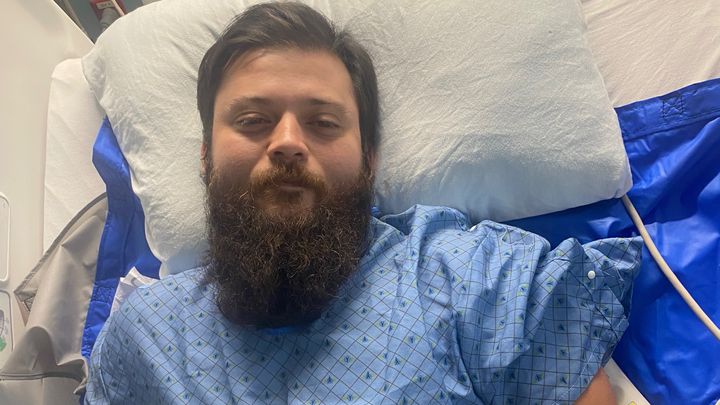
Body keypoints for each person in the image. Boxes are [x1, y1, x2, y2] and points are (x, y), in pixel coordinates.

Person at [85, 2, 640, 404]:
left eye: (323, 123)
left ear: (369, 159)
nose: (287, 142)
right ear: (205, 156)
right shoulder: (143, 338)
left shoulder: (476, 282)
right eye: (252, 120)